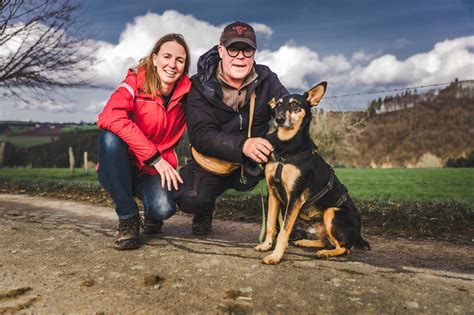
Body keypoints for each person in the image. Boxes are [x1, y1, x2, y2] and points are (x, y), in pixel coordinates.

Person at [174, 21, 289, 235]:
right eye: (233, 49)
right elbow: (200, 135)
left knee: (292, 164)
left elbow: (287, 110)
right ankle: (205, 209)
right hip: (212, 162)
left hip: (254, 162)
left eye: (247, 50)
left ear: (254, 53)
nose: (240, 57)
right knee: (190, 200)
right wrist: (243, 145)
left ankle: (288, 223)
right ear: (221, 51)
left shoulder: (268, 78)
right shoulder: (198, 85)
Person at [97, 33, 191, 250]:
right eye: (167, 56)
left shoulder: (188, 93)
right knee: (109, 138)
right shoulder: (134, 82)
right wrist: (153, 156)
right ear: (155, 58)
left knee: (163, 209)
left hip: (155, 170)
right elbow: (109, 117)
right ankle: (128, 217)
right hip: (125, 165)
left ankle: (150, 209)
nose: (172, 65)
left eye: (180, 60)